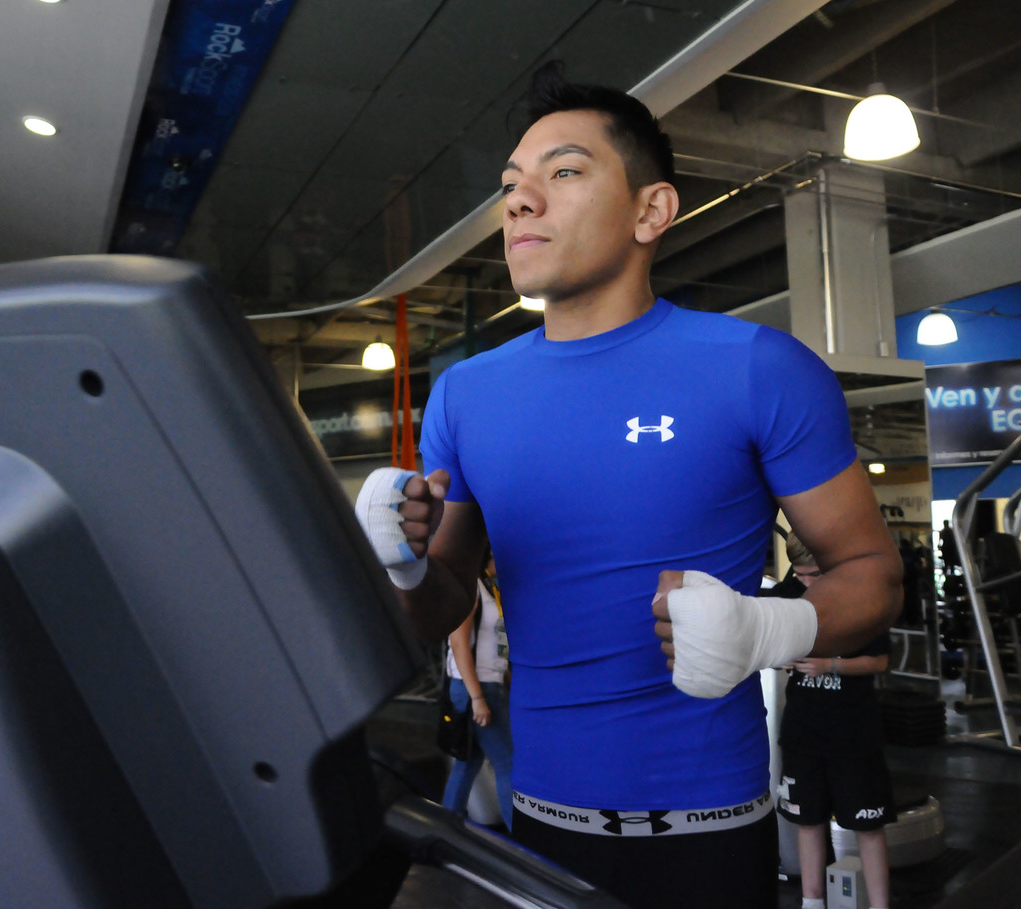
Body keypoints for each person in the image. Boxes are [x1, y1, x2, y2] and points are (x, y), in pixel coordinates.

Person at [353, 60, 902, 908]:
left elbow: (874, 575)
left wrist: (765, 626)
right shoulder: (466, 392)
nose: (520, 202)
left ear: (652, 210)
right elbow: (442, 600)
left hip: (709, 829)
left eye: (565, 172)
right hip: (541, 823)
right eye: (511, 185)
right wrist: (401, 564)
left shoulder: (758, 368)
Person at [775, 533, 895, 909]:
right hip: (802, 730)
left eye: (813, 574)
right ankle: (812, 903)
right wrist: (778, 657)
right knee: (807, 821)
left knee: (867, 826)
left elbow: (879, 661)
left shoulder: (860, 596)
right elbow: (767, 648)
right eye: (800, 574)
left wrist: (830, 665)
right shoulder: (786, 594)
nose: (805, 582)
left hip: (853, 732)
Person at [442, 553, 513, 829]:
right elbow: (458, 643)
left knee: (467, 763)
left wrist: (504, 676)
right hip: (477, 687)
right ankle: (521, 837)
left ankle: (444, 827)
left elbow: (496, 642)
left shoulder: (490, 588)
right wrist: (478, 698)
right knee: (508, 764)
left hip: (486, 684)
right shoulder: (471, 587)